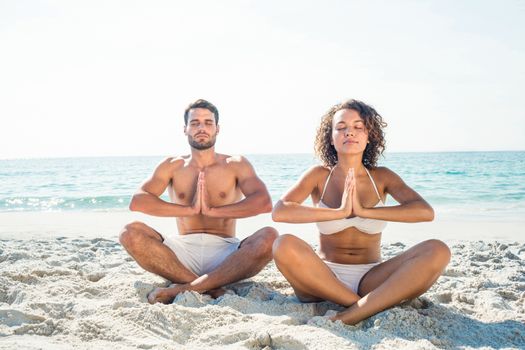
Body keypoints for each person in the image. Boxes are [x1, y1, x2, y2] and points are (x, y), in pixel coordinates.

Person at [271, 99, 450, 325]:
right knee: (282, 244)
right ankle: (364, 306)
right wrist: (340, 212)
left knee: (437, 250)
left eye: (358, 127)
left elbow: (424, 212)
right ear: (331, 137)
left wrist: (365, 211)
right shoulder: (318, 175)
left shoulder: (382, 177)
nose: (350, 133)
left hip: (372, 278)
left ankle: (354, 311)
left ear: (369, 136)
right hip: (322, 278)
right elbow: (280, 211)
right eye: (341, 127)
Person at [119, 99, 278, 304]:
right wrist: (188, 209)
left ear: (217, 129)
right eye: (194, 123)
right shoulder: (171, 165)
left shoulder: (236, 164)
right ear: (185, 129)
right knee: (129, 233)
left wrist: (213, 211)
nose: (201, 128)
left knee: (270, 237)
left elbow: (263, 202)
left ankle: (188, 287)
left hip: (226, 252)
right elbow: (138, 201)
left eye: (208, 123)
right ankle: (207, 286)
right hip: (181, 252)